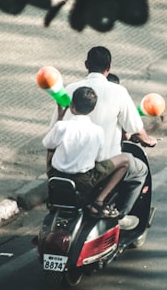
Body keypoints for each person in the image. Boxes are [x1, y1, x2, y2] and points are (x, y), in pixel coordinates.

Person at [50, 46, 157, 230]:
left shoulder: (69, 90)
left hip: (65, 166)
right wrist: (147, 139)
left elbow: (53, 130)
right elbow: (135, 127)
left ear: (86, 65)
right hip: (99, 168)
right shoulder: (118, 92)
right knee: (138, 170)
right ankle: (119, 216)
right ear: (108, 68)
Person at [43, 86, 130, 219]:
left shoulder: (61, 126)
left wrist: (60, 117)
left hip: (56, 175)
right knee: (125, 160)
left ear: (72, 106)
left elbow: (48, 144)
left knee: (51, 147)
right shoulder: (97, 131)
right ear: (93, 109)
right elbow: (100, 158)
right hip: (83, 181)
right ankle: (98, 202)